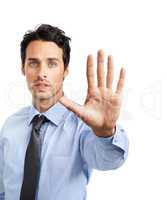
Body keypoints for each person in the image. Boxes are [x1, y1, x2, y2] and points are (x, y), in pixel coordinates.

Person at [0, 24, 129, 200]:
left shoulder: (83, 127)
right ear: (23, 68)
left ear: (65, 71)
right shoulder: (10, 126)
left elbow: (109, 160)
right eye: (33, 63)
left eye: (52, 64)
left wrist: (105, 132)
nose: (41, 73)